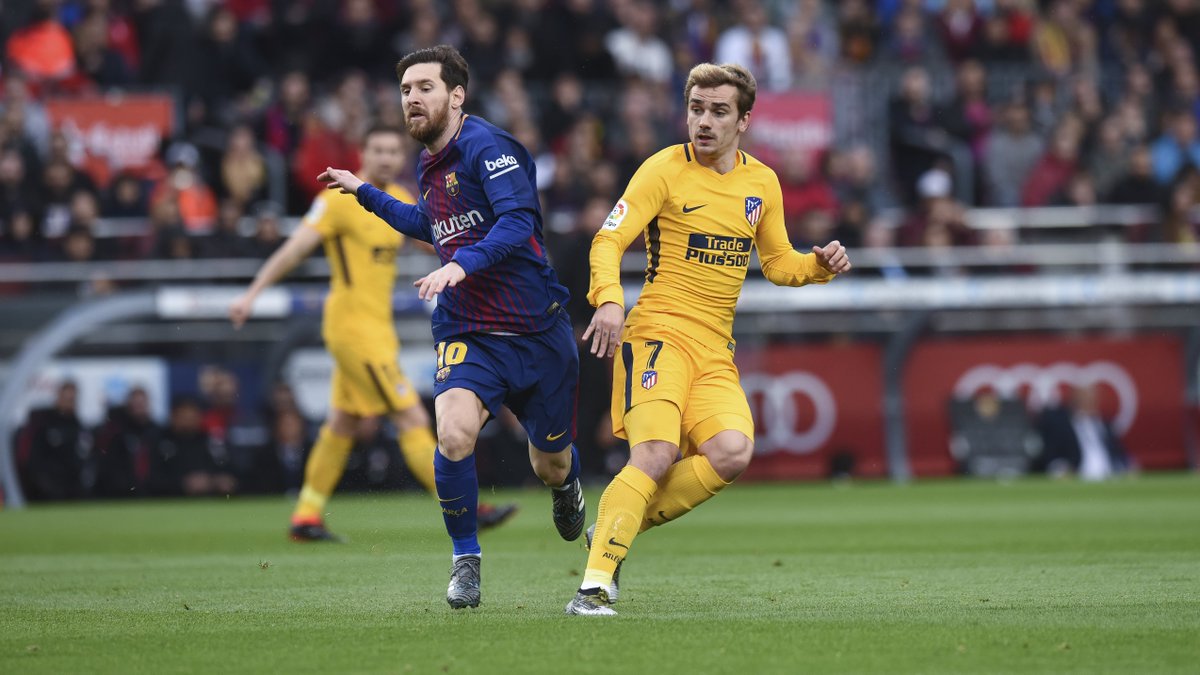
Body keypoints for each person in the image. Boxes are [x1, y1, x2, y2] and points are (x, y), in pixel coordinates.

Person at [564, 63, 851, 616]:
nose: (704, 121)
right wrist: (608, 300)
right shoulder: (662, 170)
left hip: (715, 349)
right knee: (655, 452)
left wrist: (817, 265)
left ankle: (612, 529)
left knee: (733, 451)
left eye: (719, 111)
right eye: (697, 108)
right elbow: (608, 239)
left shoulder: (761, 182)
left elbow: (777, 263)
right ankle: (594, 586)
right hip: (656, 335)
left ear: (743, 121)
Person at [318, 44, 586, 610]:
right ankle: (467, 560)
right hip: (468, 330)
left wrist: (461, 264)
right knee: (453, 433)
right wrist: (363, 191)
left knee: (549, 463)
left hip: (536, 331)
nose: (411, 99)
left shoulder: (489, 147)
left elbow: (518, 222)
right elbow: (430, 225)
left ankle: (567, 488)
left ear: (456, 95)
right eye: (406, 90)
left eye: (424, 88)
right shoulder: (428, 162)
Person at [230, 124, 518, 542]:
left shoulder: (397, 201)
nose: (386, 157)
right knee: (411, 416)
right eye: (377, 149)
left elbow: (442, 242)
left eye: (392, 151)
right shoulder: (337, 201)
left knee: (342, 424)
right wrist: (251, 294)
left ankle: (306, 516)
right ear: (362, 152)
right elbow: (295, 249)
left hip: (377, 329)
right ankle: (467, 506)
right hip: (352, 329)